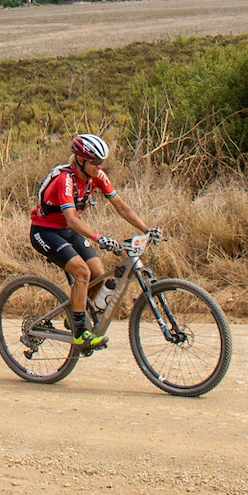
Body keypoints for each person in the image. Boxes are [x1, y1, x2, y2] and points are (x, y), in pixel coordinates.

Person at [29, 133, 157, 352]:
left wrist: (147, 229)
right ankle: (80, 333)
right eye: (95, 162)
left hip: (68, 231)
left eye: (101, 162)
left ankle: (73, 316)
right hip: (45, 231)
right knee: (81, 272)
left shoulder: (97, 176)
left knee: (99, 274)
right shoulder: (65, 180)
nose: (99, 167)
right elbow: (71, 218)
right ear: (80, 160)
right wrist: (98, 238)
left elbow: (122, 207)